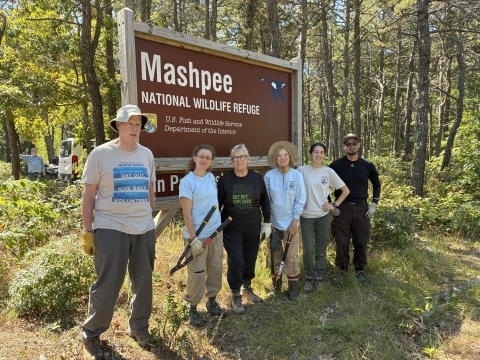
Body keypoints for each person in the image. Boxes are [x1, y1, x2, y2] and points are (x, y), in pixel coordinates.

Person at [80, 104, 156, 359]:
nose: (135, 129)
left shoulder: (146, 154)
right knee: (108, 282)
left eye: (138, 125)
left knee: (144, 281)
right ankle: (92, 333)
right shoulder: (101, 154)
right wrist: (88, 230)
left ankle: (139, 329)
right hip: (110, 227)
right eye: (130, 124)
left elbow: (150, 190)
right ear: (119, 126)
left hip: (143, 228)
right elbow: (89, 194)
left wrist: (146, 215)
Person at [217, 144, 271, 315]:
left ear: (248, 158)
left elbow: (265, 202)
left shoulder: (256, 178)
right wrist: (216, 227)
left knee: (250, 257)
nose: (239, 160)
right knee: (236, 259)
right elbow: (217, 205)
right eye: (235, 158)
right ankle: (235, 294)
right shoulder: (226, 180)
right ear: (232, 161)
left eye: (242, 157)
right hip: (231, 225)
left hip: (253, 224)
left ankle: (246, 287)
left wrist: (267, 222)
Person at [179, 144, 226, 327]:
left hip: (215, 233)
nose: (204, 160)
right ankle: (192, 308)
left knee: (215, 268)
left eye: (208, 157)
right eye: (201, 156)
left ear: (211, 161)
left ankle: (212, 301)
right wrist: (193, 239)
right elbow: (187, 213)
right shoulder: (187, 182)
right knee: (197, 273)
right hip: (197, 236)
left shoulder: (211, 178)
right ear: (194, 157)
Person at [329, 134, 381, 284]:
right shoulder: (336, 166)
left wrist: (374, 204)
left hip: (362, 208)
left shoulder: (367, 165)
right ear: (344, 146)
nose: (351, 146)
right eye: (348, 144)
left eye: (354, 143)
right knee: (341, 240)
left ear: (359, 144)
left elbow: (377, 184)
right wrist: (331, 204)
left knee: (361, 239)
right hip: (342, 208)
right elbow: (323, 183)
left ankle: (360, 271)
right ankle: (343, 271)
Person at [298, 142, 350, 292]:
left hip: (323, 216)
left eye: (321, 152)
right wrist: (299, 204)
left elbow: (345, 190)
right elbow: (293, 189)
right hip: (306, 216)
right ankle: (308, 276)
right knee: (308, 250)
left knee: (320, 249)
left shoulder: (328, 172)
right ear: (310, 154)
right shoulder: (301, 170)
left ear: (325, 155)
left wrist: (334, 205)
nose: (318, 155)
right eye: (315, 152)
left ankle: (319, 276)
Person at [264, 141, 306, 301]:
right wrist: (270, 225)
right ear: (275, 159)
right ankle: (276, 285)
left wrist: (295, 221)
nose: (282, 158)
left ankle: (292, 289)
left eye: (285, 155)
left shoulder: (296, 176)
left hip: (291, 224)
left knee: (291, 256)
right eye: (279, 155)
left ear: (290, 157)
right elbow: (266, 201)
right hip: (274, 225)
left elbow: (300, 199)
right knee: (275, 254)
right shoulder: (269, 176)